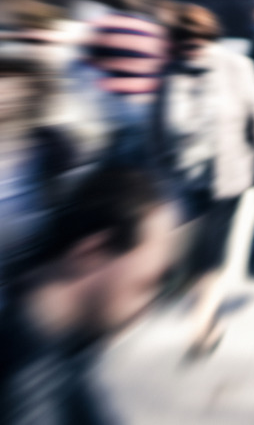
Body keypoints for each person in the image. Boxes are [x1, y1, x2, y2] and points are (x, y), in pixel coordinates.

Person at [0, 168, 180, 425]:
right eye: (145, 284)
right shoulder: (25, 383)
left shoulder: (63, 350)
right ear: (91, 253)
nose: (148, 306)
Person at [156, 3, 254, 358]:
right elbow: (155, 133)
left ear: (210, 37)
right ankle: (202, 311)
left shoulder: (237, 69)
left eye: (197, 40)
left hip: (228, 181)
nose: (191, 47)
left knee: (210, 253)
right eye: (184, 41)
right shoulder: (170, 73)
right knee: (191, 254)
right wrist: (160, 177)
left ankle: (203, 326)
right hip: (182, 182)